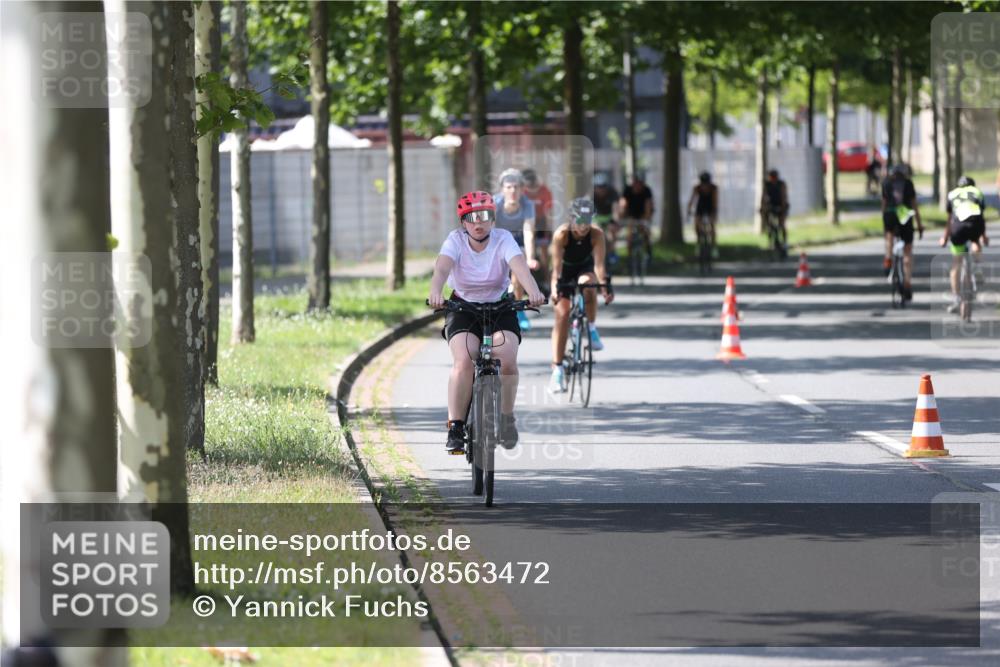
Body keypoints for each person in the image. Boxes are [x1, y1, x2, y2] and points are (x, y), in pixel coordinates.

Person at [429, 191, 545, 453]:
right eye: (471, 218)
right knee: (464, 359)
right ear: (463, 222)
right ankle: (456, 426)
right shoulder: (455, 241)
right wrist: (435, 291)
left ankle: (505, 418)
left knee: (507, 359)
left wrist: (533, 291)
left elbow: (520, 267)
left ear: (493, 219)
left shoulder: (503, 239)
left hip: (500, 306)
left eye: (484, 216)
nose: (478, 223)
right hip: (463, 306)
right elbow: (442, 269)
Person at [547, 197, 614, 393]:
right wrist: (554, 289)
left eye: (587, 220)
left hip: (584, 270)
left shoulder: (596, 234)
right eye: (579, 220)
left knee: (589, 285)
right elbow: (556, 269)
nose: (583, 226)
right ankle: (557, 370)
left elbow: (599, 266)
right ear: (571, 218)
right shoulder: (562, 234)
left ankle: (591, 328)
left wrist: (604, 288)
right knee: (562, 314)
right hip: (564, 273)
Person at [493, 168, 538, 331]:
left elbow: (529, 232)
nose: (513, 191)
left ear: (522, 189)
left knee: (519, 268)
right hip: (497, 242)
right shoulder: (495, 203)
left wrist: (530, 258)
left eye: (516, 187)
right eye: (509, 187)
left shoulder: (527, 204)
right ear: (502, 189)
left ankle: (519, 311)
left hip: (518, 243)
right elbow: (488, 230)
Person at [940, 175, 989, 312]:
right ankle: (978, 265)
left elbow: (949, 220)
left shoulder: (953, 194)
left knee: (956, 263)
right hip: (975, 224)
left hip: (958, 227)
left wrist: (944, 238)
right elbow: (981, 216)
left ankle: (956, 298)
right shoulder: (977, 192)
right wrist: (983, 237)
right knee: (975, 241)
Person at [881, 163, 924, 301]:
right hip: (905, 217)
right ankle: (907, 283)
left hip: (890, 215)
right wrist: (919, 225)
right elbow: (914, 205)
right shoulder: (908, 184)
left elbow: (884, 204)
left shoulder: (886, 183)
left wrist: (885, 222)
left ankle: (888, 258)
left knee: (889, 235)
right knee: (907, 251)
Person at [522, 168, 554, 284]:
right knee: (526, 250)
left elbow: (549, 211)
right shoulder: (522, 192)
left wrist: (547, 227)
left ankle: (546, 279)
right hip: (525, 223)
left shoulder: (544, 190)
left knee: (544, 251)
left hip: (541, 222)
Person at [620, 170, 654, 259]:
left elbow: (648, 205)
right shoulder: (627, 189)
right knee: (629, 235)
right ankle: (630, 256)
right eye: (635, 183)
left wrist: (646, 219)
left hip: (643, 214)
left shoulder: (647, 190)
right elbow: (623, 203)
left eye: (639, 183)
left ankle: (648, 251)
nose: (637, 185)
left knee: (645, 231)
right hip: (631, 214)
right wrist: (622, 213)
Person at [687, 171, 719, 258]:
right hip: (700, 207)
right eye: (703, 184)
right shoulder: (697, 188)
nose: (705, 186)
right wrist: (689, 210)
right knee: (697, 225)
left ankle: (713, 247)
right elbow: (692, 200)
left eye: (706, 184)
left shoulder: (714, 188)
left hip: (710, 207)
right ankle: (698, 244)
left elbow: (715, 202)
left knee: (712, 226)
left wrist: (714, 214)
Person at [759, 169, 788, 249]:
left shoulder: (781, 184)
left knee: (782, 224)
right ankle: (770, 241)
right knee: (769, 225)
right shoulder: (767, 185)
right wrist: (762, 208)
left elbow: (784, 197)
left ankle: (785, 241)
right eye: (771, 177)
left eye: (774, 177)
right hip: (771, 206)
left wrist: (783, 209)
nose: (773, 178)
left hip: (781, 205)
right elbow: (763, 197)